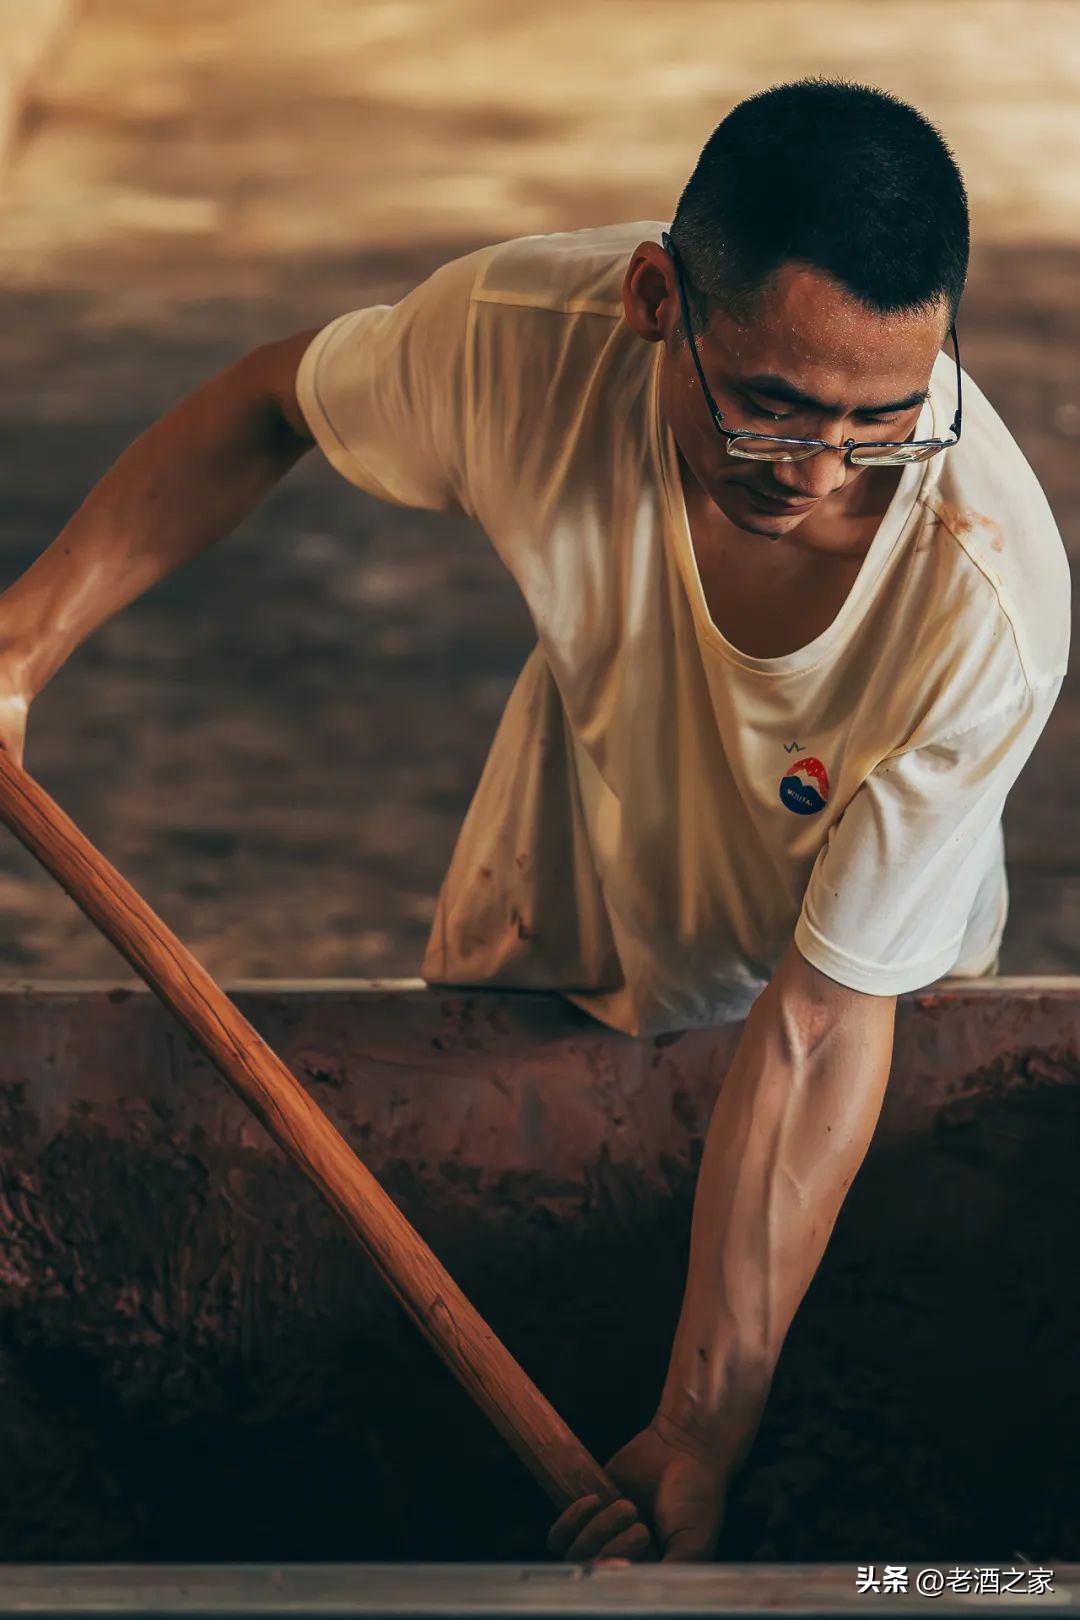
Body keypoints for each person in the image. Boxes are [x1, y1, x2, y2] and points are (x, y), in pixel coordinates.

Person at [0, 79, 1068, 1561]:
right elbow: (268, 402)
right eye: (771, 409)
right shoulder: (521, 346)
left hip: (861, 964)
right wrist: (18, 646)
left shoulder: (989, 602)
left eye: (882, 422)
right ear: (654, 303)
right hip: (579, 863)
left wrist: (703, 1425)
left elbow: (823, 1025)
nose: (823, 474)